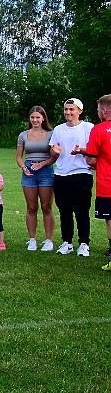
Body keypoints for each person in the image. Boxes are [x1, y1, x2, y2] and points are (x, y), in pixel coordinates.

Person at [50, 98, 94, 257]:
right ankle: (67, 242)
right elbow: (53, 152)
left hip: (82, 174)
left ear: (80, 111)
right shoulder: (58, 129)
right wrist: (54, 152)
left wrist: (81, 150)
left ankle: (84, 243)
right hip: (61, 174)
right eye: (66, 109)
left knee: (82, 210)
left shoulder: (88, 127)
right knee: (64, 211)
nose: (68, 112)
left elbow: (95, 149)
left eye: (71, 109)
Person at [16, 107, 55, 252]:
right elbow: (19, 157)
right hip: (29, 173)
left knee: (46, 206)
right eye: (32, 117)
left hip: (46, 171)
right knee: (31, 207)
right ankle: (32, 239)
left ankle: (49, 240)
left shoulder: (51, 134)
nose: (35, 120)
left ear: (43, 118)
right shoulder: (23, 135)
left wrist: (42, 164)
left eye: (38, 117)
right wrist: (23, 167)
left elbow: (54, 156)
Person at [85, 95, 111, 265]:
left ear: (104, 110)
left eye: (98, 109)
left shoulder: (99, 129)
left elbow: (91, 159)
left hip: (107, 183)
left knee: (110, 219)